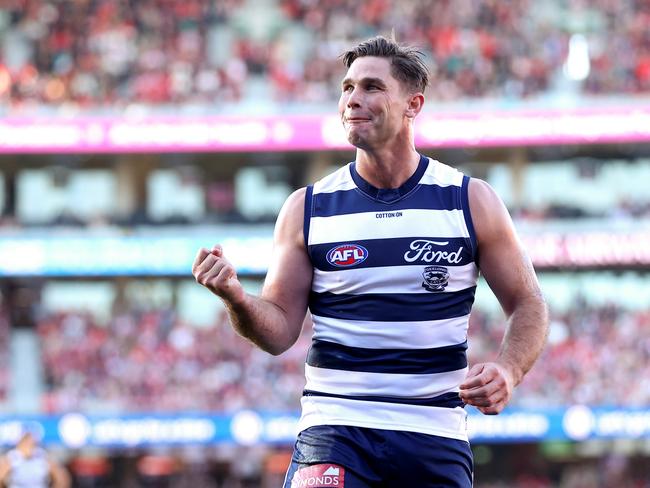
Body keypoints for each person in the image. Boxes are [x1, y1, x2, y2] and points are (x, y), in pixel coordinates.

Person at [193, 36, 549, 487]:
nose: (352, 100)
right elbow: (279, 331)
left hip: (433, 435)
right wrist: (236, 298)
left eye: (371, 87)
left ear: (412, 105)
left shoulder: (468, 200)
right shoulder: (309, 207)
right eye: (346, 87)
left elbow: (528, 303)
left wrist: (509, 369)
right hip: (335, 427)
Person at [0, 427, 70, 488]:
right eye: (26, 443)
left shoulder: (41, 456)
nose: (28, 446)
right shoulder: (12, 458)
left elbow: (61, 478)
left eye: (30, 443)